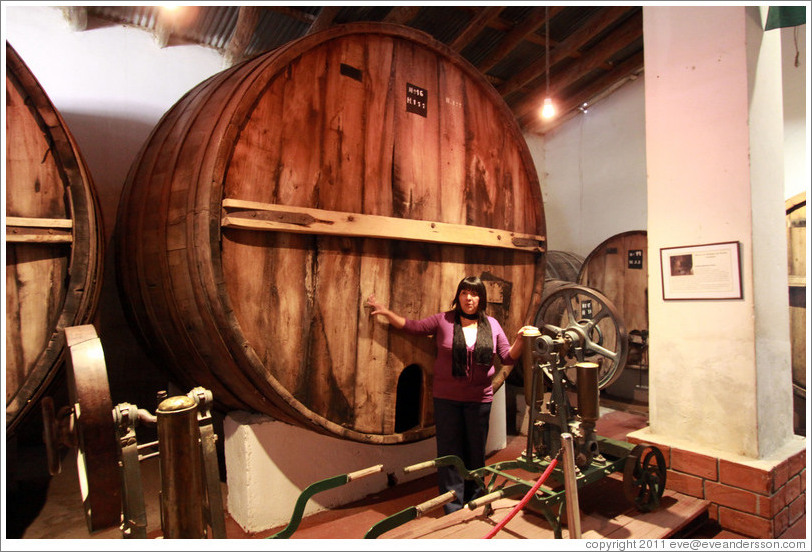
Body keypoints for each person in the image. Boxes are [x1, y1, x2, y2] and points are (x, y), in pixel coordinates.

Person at [366, 276, 534, 513]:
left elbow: (507, 357)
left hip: (479, 399)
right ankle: (452, 503)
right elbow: (413, 327)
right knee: (449, 452)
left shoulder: (493, 325)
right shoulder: (444, 320)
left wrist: (520, 340)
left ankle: (476, 498)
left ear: (481, 298)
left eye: (474, 294)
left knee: (476, 451)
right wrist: (385, 312)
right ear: (458, 296)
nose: (469, 298)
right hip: (447, 400)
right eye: (464, 293)